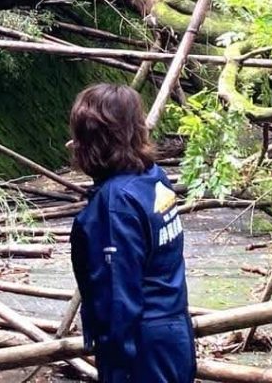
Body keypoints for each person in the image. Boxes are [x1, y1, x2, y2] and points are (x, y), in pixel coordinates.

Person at [68, 83, 196, 383]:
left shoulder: (115, 205)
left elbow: (118, 297)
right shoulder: (153, 177)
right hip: (174, 331)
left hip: (141, 346)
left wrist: (117, 365)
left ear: (91, 141)